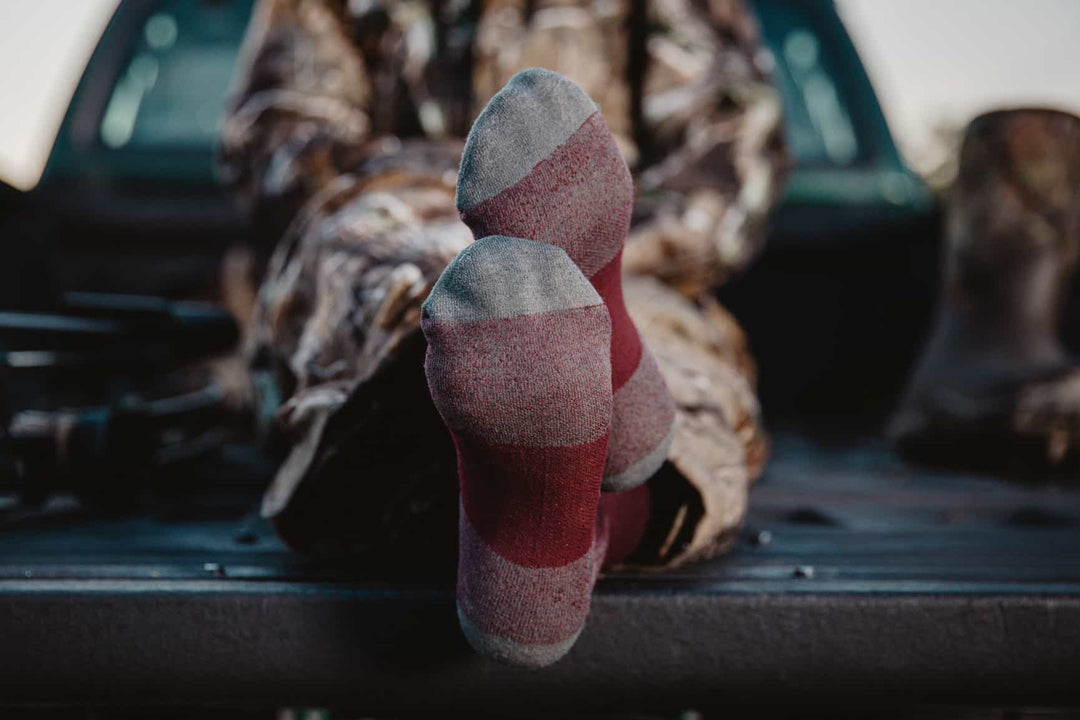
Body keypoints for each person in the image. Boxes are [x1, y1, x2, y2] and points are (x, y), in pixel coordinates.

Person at [220, 0, 787, 665]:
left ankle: (589, 327)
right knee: (411, 291)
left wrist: (609, 250)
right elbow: (286, 144)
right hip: (393, 217)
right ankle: (581, 510)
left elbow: (726, 154)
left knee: (623, 330)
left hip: (635, 249)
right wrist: (433, 200)